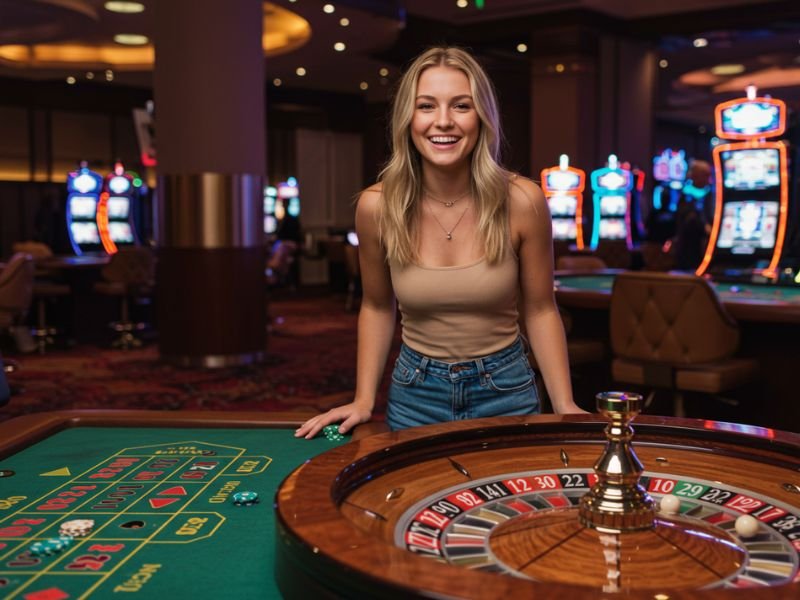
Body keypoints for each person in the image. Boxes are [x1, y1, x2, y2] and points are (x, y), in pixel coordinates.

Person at [295, 46, 585, 439]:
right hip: (416, 393)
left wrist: (564, 404)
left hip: (506, 389)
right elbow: (377, 307)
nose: (443, 121)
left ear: (481, 117)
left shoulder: (523, 200)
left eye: (461, 106)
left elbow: (540, 309)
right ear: (407, 118)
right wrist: (363, 400)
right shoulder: (376, 206)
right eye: (426, 106)